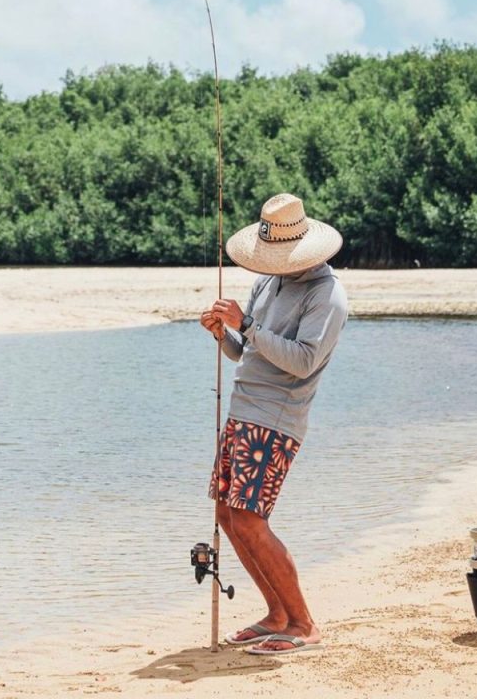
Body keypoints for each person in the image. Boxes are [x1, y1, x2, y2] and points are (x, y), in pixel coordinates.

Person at [200, 193, 348, 655]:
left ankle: (303, 623)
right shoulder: (269, 282)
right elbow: (249, 352)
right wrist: (225, 334)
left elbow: (303, 361)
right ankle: (277, 614)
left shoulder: (328, 295)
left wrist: (247, 327)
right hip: (242, 411)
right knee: (228, 515)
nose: (274, 265)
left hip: (275, 420)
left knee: (250, 518)